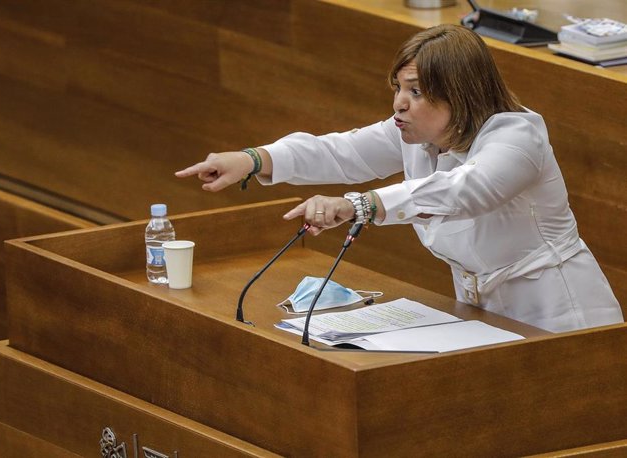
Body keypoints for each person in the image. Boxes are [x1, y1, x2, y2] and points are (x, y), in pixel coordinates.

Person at [176, 24, 623, 333]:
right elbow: (343, 150)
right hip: (481, 310)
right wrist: (255, 159)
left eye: (416, 91)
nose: (398, 104)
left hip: (559, 311)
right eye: (397, 88)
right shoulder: (415, 134)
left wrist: (360, 204)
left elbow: (467, 190)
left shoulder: (517, 136)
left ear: (459, 94)